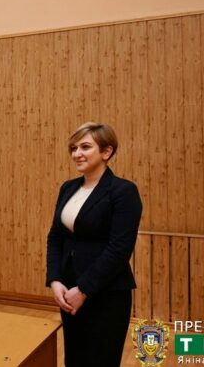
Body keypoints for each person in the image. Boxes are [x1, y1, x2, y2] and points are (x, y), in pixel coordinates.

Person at [46, 122, 142, 367]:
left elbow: (119, 249)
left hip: (105, 293)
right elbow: (55, 237)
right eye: (74, 148)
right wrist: (55, 279)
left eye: (85, 147)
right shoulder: (68, 188)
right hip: (68, 291)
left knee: (101, 360)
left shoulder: (123, 191)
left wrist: (84, 289)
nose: (77, 153)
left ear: (106, 152)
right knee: (74, 359)